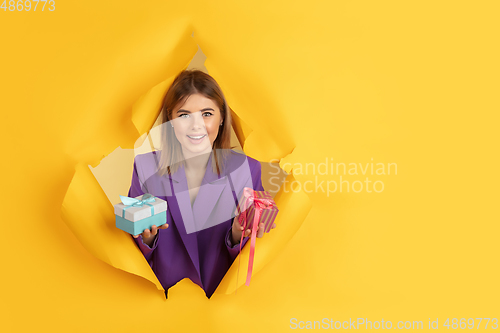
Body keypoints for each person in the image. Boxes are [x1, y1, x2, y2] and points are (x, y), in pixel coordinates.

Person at [127, 69, 276, 299]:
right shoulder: (146, 168)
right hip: (163, 302)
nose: (196, 126)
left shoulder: (247, 168)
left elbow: (250, 256)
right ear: (171, 120)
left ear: (222, 117)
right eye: (184, 115)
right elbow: (131, 250)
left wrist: (238, 233)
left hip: (221, 304)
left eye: (207, 113)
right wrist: (147, 236)